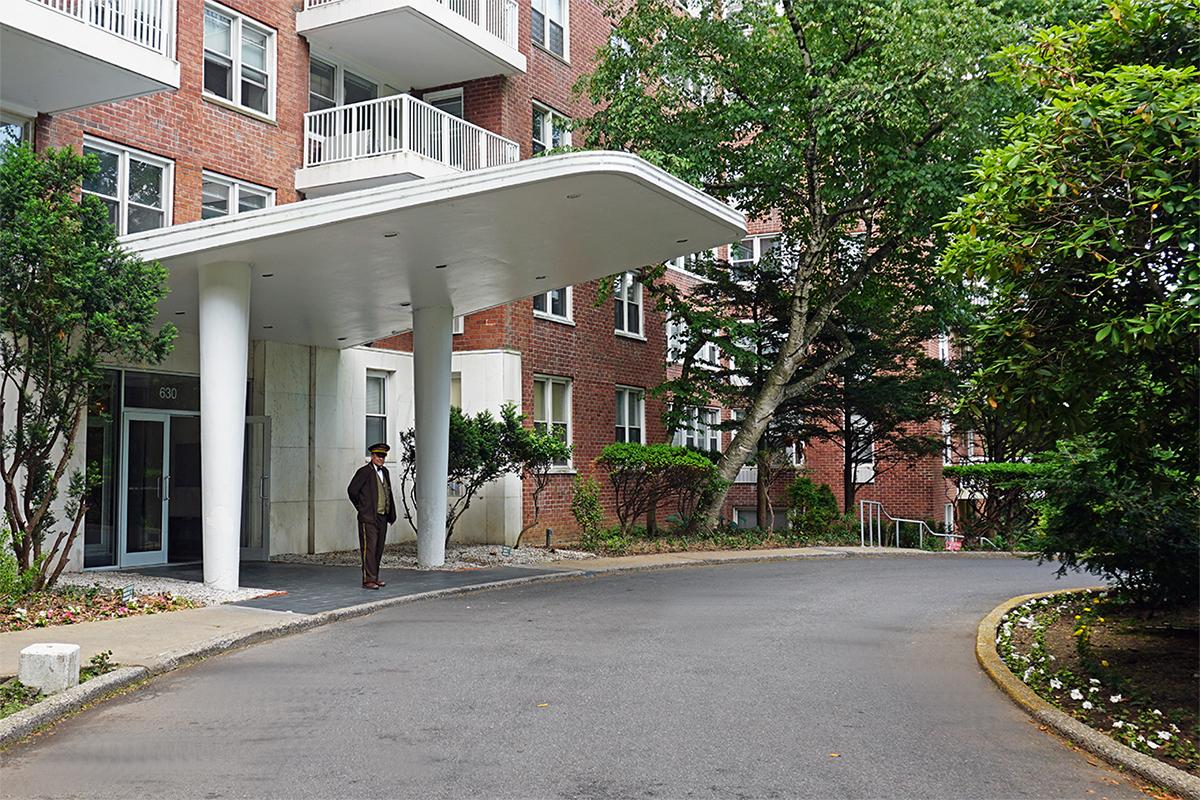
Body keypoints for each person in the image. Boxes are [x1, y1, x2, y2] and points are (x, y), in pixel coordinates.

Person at [346, 442, 397, 589]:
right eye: (379, 455)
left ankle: (375, 577)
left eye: (383, 456)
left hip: (382, 516)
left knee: (378, 548)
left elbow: (387, 492)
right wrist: (362, 508)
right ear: (372, 456)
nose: (381, 458)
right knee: (369, 548)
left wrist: (390, 513)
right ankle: (368, 579)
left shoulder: (385, 472)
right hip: (368, 517)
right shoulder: (364, 472)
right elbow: (352, 491)